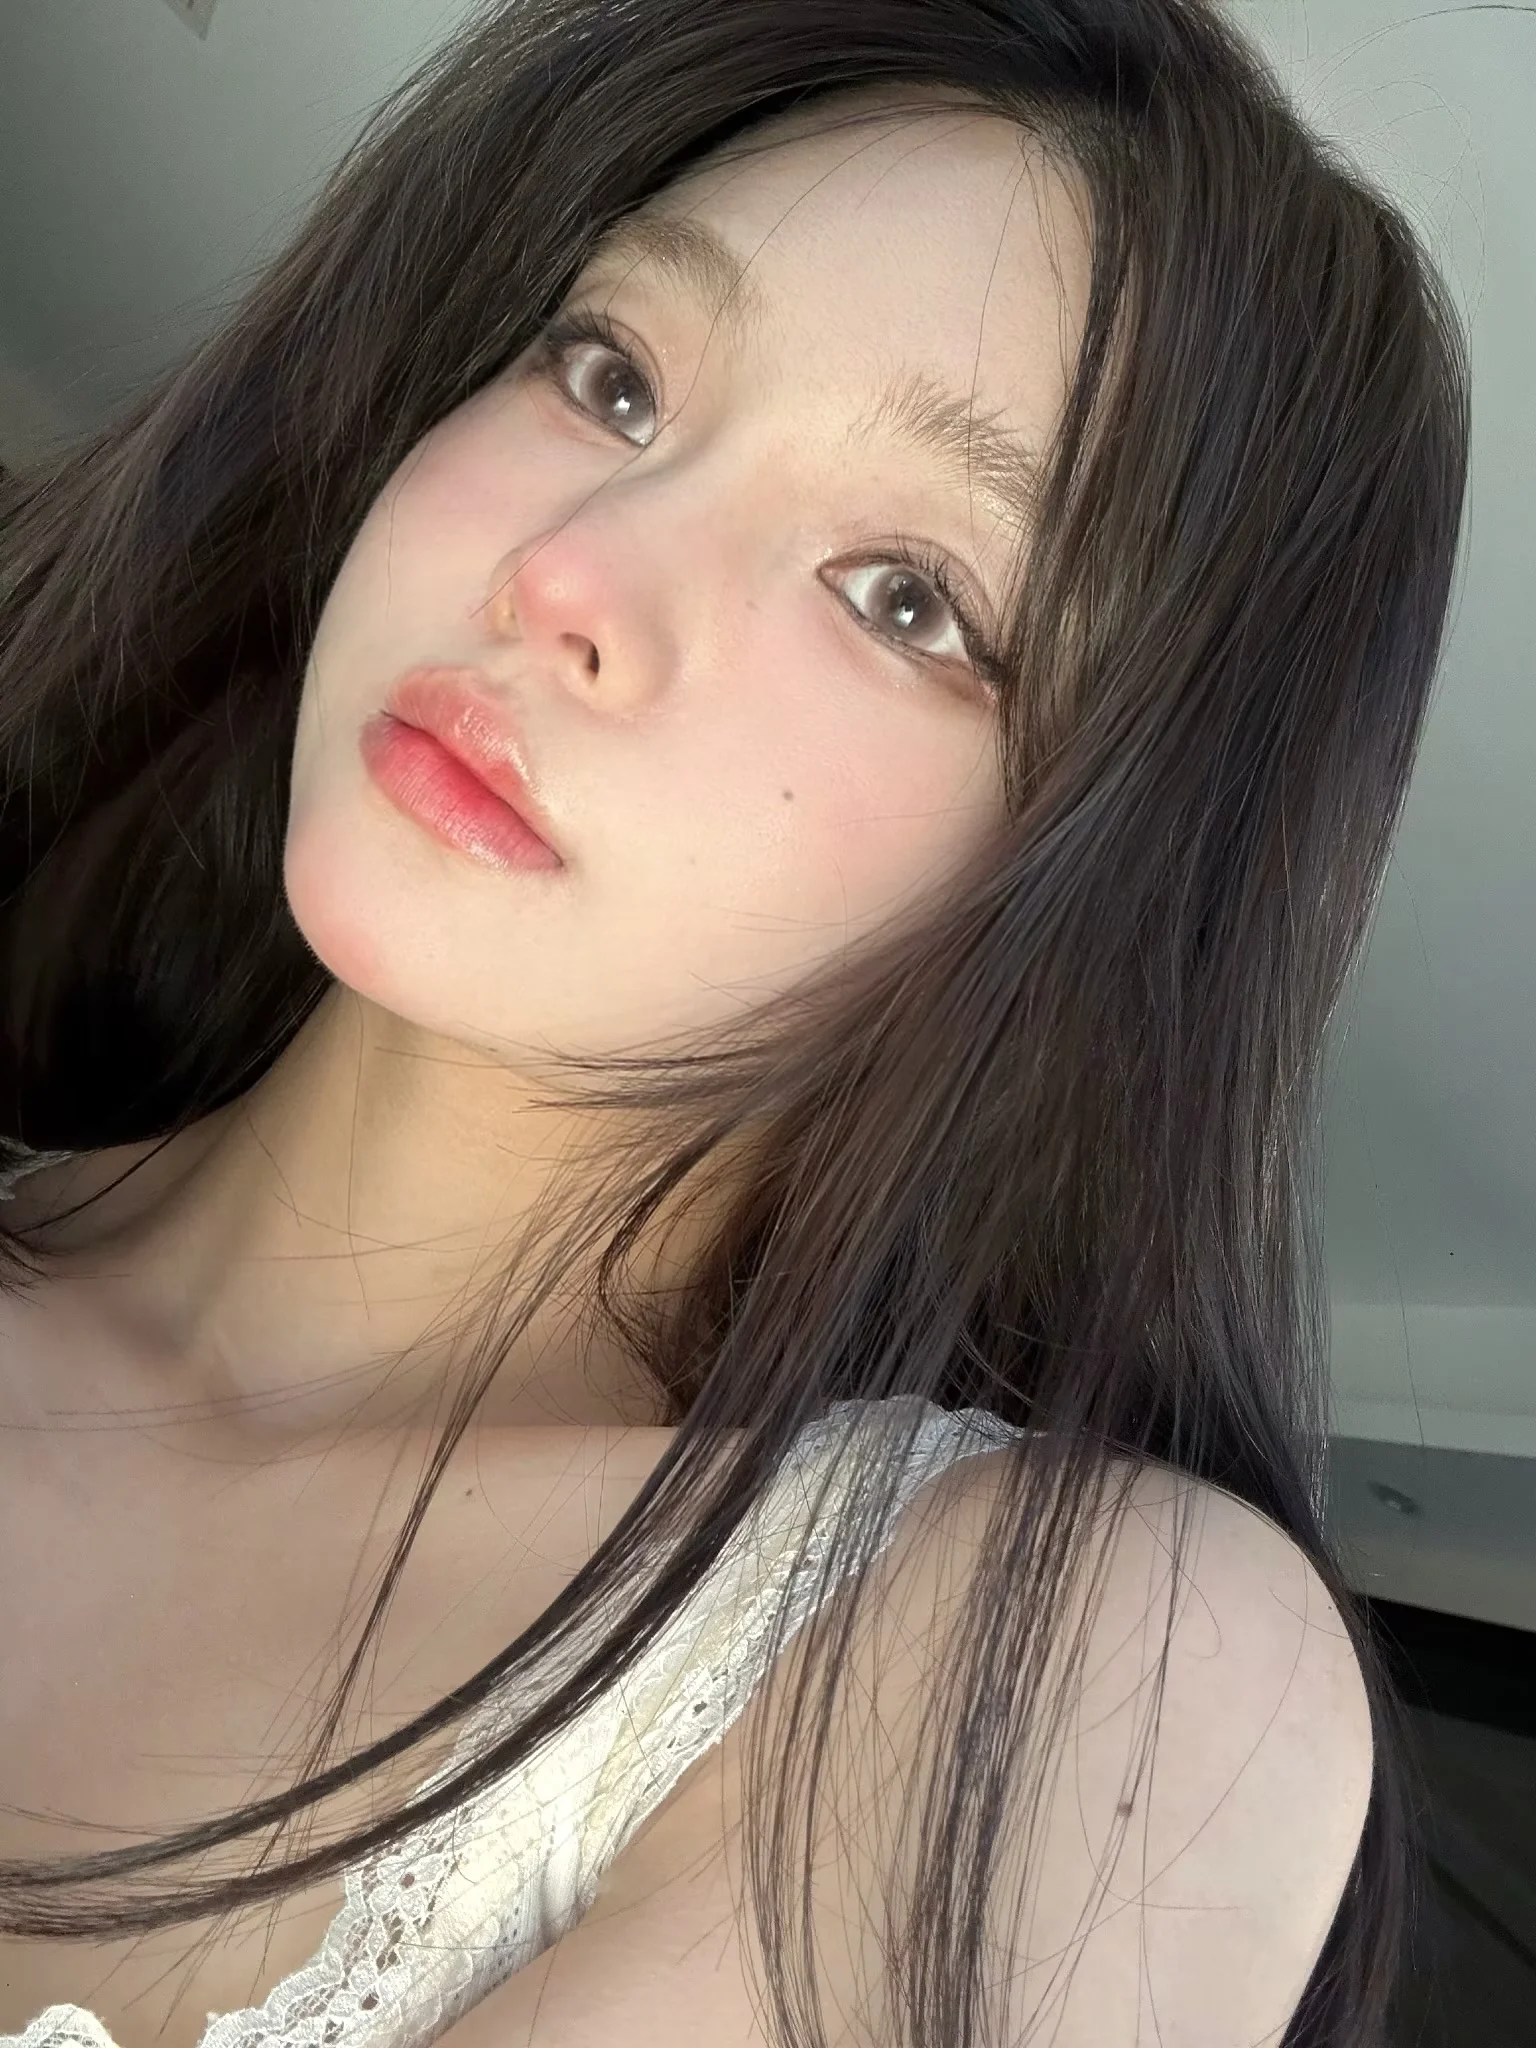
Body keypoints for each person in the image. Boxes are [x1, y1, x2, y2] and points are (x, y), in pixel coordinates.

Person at [0, 1, 1469, 2044]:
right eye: (611, 375)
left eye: (905, 595)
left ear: (1092, 885)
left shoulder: (1051, 1662)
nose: (568, 576)